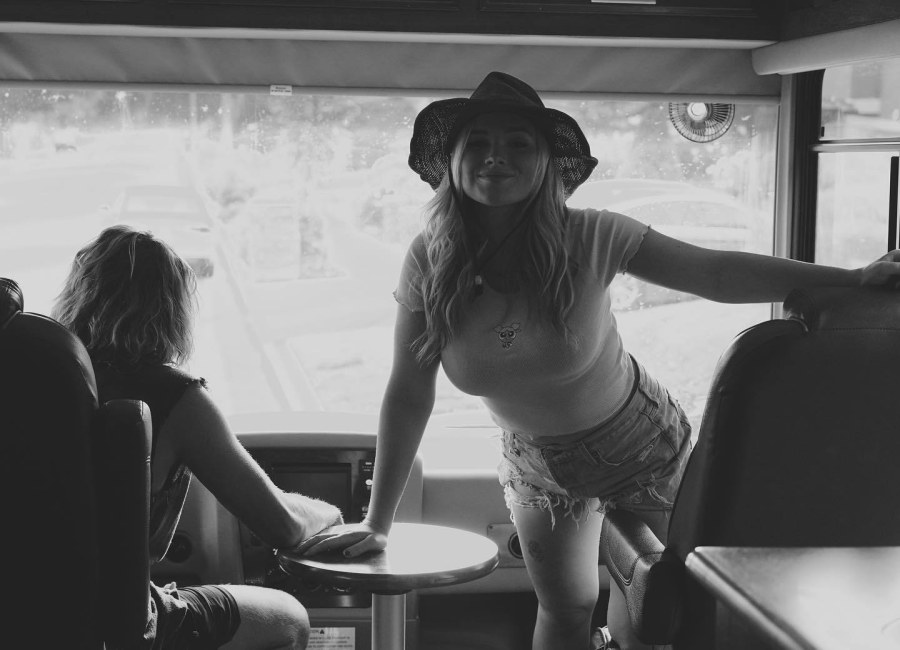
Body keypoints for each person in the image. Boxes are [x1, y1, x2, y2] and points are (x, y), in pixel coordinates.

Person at [294, 71, 900, 650]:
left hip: (638, 446)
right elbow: (408, 392)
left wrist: (850, 279)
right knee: (564, 609)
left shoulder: (592, 235)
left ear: (546, 162)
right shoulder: (430, 257)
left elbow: (714, 273)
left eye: (518, 142)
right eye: (476, 142)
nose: (495, 156)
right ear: (451, 161)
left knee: (654, 616)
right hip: (534, 460)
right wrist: (377, 522)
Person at [53, 225, 343, 650]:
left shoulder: (42, 384)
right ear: (172, 311)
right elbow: (282, 525)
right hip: (120, 623)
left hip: (30, 611)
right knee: (290, 619)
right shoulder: (175, 396)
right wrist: (330, 515)